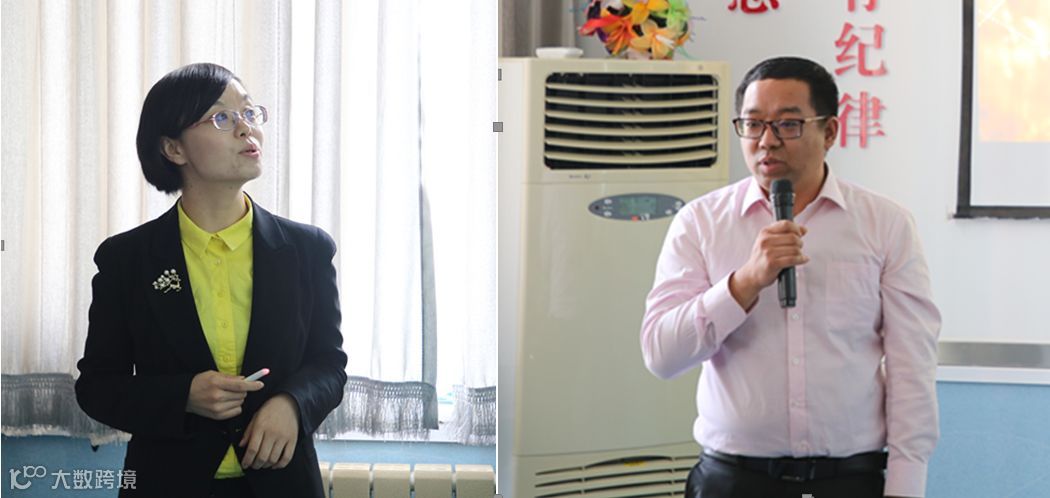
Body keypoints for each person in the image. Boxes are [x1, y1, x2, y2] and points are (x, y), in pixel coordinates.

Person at [640, 56, 940, 498]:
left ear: (830, 131)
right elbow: (662, 356)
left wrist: (905, 487)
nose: (767, 141)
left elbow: (911, 366)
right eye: (753, 124)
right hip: (733, 480)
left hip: (849, 479)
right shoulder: (701, 222)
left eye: (787, 124)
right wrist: (744, 282)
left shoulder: (885, 224)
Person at [75, 62, 348, 498]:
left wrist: (292, 404)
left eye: (250, 112)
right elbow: (97, 387)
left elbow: (329, 363)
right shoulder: (126, 260)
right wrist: (182, 395)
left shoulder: (307, 250)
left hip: (283, 484)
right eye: (222, 117)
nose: (246, 128)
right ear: (173, 148)